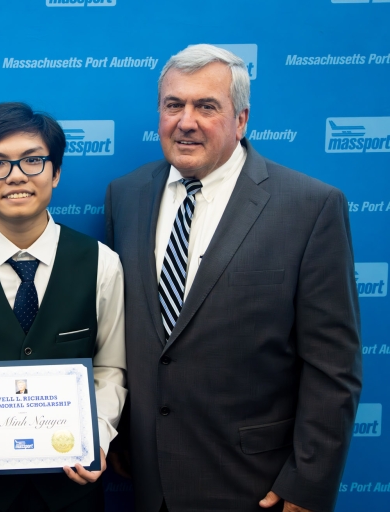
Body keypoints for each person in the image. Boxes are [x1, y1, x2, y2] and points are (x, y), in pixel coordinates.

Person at [105, 45, 362, 512]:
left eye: (207, 106)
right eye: (173, 105)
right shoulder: (125, 196)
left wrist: (308, 484)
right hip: (149, 479)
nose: (186, 121)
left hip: (254, 487)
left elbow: (333, 367)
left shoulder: (310, 206)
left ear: (241, 119)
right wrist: (119, 434)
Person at [0, 102, 126, 511]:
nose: (16, 176)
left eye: (33, 161)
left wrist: (96, 435)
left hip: (73, 491)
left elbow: (110, 367)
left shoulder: (102, 263)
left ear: (56, 172)